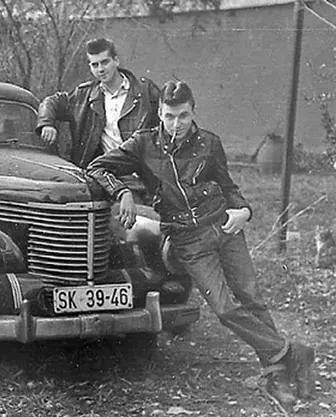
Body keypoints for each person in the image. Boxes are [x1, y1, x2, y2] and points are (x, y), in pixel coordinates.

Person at [86, 81, 315, 410]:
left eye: (183, 116)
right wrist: (121, 192)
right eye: (169, 116)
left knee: (251, 296)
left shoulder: (209, 143)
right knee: (224, 308)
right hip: (188, 239)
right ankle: (293, 353)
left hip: (224, 226)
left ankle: (276, 371)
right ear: (160, 114)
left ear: (193, 112)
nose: (176, 124)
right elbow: (98, 167)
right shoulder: (143, 145)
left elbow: (227, 185)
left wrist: (244, 210)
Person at [36, 38, 160, 202]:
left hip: (142, 177)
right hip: (105, 177)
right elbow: (51, 101)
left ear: (116, 60)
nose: (100, 69)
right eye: (95, 65)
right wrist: (46, 123)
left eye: (105, 62)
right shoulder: (85, 96)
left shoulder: (146, 93)